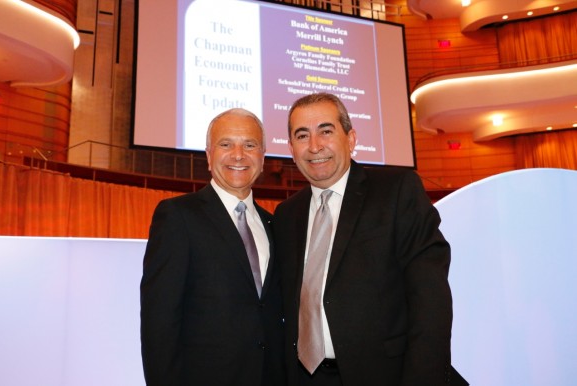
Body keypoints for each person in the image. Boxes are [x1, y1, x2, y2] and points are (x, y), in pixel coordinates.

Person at [273, 93, 466, 385]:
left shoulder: (396, 191)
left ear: (350, 139)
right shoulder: (287, 214)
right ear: (291, 148)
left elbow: (430, 300)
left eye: (326, 131)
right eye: (302, 136)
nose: (314, 146)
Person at [140, 108, 285, 386]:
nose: (239, 154)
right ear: (209, 156)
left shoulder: (274, 224)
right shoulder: (177, 216)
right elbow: (159, 321)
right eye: (226, 144)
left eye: (250, 145)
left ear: (263, 157)